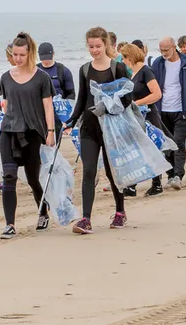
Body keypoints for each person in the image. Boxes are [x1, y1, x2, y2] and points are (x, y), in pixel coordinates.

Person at [65, 27, 132, 234]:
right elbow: (82, 99)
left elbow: (127, 99)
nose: (94, 50)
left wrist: (107, 105)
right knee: (89, 171)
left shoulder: (117, 68)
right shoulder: (85, 69)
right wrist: (72, 119)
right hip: (89, 128)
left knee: (113, 172)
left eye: (98, 46)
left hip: (111, 127)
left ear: (106, 45)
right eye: (91, 46)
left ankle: (120, 212)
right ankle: (86, 219)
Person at [0, 32, 57, 239]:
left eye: (22, 55)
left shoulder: (42, 77)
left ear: (29, 53)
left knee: (33, 179)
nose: (18, 58)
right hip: (8, 132)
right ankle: (9, 224)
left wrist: (51, 132)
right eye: (14, 54)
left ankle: (43, 211)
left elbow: (48, 105)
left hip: (32, 133)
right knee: (9, 176)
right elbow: (7, 105)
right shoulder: (5, 77)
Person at [152, 36, 186, 190]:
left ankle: (178, 175)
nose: (163, 53)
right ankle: (170, 175)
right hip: (162, 111)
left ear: (174, 47)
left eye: (166, 50)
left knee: (178, 142)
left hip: (183, 110)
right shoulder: (157, 63)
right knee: (167, 145)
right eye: (161, 50)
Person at [119, 42, 165, 197]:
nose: (122, 61)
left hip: (148, 116)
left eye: (124, 57)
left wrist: (136, 103)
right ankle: (131, 185)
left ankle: (157, 184)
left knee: (150, 149)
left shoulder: (146, 71)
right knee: (134, 150)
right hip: (135, 117)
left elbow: (157, 94)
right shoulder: (131, 73)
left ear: (130, 56)